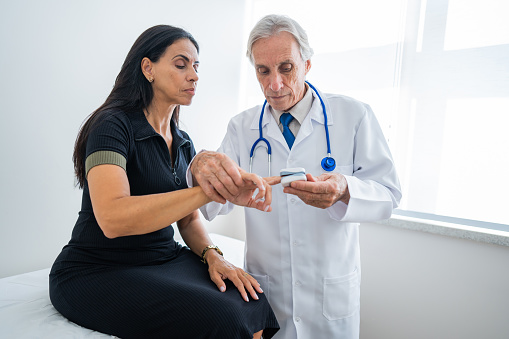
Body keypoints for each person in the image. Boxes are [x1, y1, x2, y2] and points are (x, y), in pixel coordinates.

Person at [49, 25, 280, 339]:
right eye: (181, 64)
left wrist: (214, 256)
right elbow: (113, 218)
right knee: (224, 318)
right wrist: (209, 191)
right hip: (97, 269)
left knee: (251, 299)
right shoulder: (111, 126)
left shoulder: (183, 142)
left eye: (196, 67)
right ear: (148, 68)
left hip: (161, 257)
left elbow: (187, 219)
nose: (194, 76)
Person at [188, 15, 402, 339]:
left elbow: (389, 194)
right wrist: (199, 167)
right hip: (269, 293)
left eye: (286, 68)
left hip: (330, 294)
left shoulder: (354, 115)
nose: (274, 85)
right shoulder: (242, 128)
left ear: (307, 63)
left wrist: (345, 188)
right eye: (263, 71)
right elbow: (210, 207)